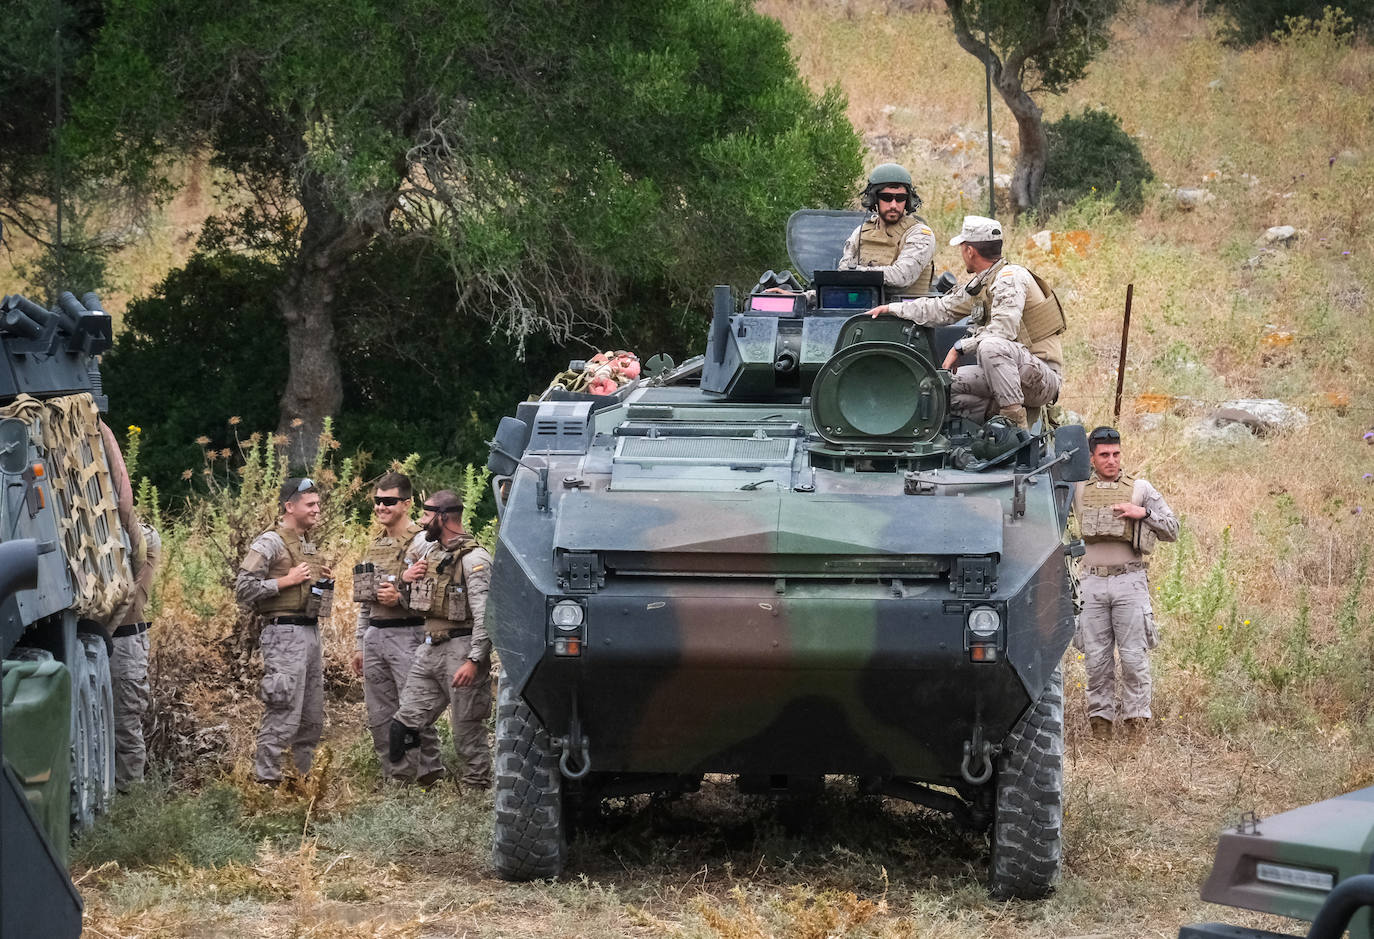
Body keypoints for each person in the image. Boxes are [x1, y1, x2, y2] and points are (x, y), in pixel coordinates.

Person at [865, 215, 1065, 429]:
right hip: (1005, 375)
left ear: (969, 251)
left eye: (962, 248)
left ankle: (1014, 431)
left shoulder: (1010, 277)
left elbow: (1003, 331)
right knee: (938, 387)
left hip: (1040, 378)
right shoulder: (983, 283)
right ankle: (990, 427)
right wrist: (892, 309)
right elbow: (941, 309)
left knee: (991, 345)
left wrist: (960, 348)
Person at [1074, 427, 1178, 741]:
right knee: (1096, 661)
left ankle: (1136, 727)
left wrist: (1142, 512)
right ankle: (1101, 728)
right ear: (1091, 458)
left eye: (1116, 454)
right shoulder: (1076, 489)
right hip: (1091, 583)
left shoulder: (1140, 488)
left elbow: (1173, 529)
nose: (1112, 460)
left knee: (1134, 659)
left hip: (1130, 582)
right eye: (1104, 455)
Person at [388, 489, 494, 790]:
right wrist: (407, 581)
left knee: (466, 728)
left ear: (444, 517)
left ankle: (476, 790)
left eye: (426, 515)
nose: (422, 521)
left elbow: (486, 616)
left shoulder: (475, 559)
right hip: (429, 648)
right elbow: (413, 605)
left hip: (461, 649)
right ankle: (401, 789)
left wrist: (474, 660)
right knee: (404, 722)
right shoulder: (430, 555)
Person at [350, 472, 444, 785]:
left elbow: (435, 597)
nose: (381, 507)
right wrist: (359, 642)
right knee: (379, 713)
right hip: (375, 635)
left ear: (406, 503)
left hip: (409, 634)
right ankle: (397, 776)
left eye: (389, 501)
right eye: (377, 501)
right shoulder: (376, 545)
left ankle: (428, 774)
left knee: (413, 707)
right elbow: (366, 600)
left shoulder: (423, 544)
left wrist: (400, 599)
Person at [235, 477, 331, 783]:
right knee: (283, 710)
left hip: (310, 632)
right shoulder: (270, 542)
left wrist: (323, 584)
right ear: (289, 506)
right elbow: (243, 588)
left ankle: (301, 782)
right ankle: (267, 782)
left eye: (318, 504)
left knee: (311, 716)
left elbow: (311, 594)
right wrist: (286, 581)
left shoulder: (306, 544)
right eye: (310, 504)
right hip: (284, 634)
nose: (317, 509)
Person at [108, 519, 161, 789]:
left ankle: (130, 797)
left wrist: (124, 512)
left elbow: (138, 549)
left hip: (125, 641)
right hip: (100, 640)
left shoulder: (143, 535)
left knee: (125, 726)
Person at [838, 163, 937, 294]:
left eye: (900, 198)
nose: (893, 205)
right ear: (874, 199)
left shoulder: (920, 234)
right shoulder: (862, 232)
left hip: (906, 306)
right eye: (886, 198)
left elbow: (901, 277)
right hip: (865, 303)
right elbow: (843, 271)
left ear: (907, 200)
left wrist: (857, 272)